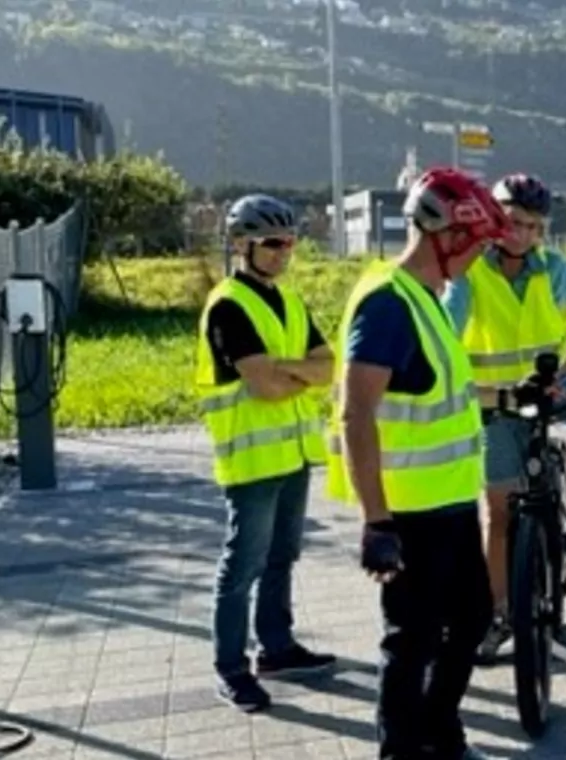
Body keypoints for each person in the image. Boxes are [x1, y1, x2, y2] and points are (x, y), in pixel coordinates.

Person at [325, 166, 507, 760]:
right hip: (410, 512)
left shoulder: (427, 300)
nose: (480, 257)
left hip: (449, 502)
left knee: (474, 618)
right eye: (477, 244)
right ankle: (402, 749)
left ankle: (436, 727)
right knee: (412, 643)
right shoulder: (387, 306)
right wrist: (376, 523)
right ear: (446, 238)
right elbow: (357, 414)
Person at [440, 173, 566, 662]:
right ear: (493, 220)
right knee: (501, 516)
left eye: (533, 226)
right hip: (495, 403)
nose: (522, 235)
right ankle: (498, 613)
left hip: (550, 387)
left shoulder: (551, 268)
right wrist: (481, 392)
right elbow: (447, 340)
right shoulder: (469, 275)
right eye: (512, 223)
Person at [196, 194, 338, 712]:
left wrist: (289, 369)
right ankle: (230, 668)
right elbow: (264, 388)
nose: (283, 252)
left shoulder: (290, 301)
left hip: (294, 455)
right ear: (241, 245)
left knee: (283, 557)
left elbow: (330, 367)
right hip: (253, 463)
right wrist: (298, 373)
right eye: (272, 243)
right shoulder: (229, 304)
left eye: (289, 243)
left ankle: (276, 649)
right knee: (243, 566)